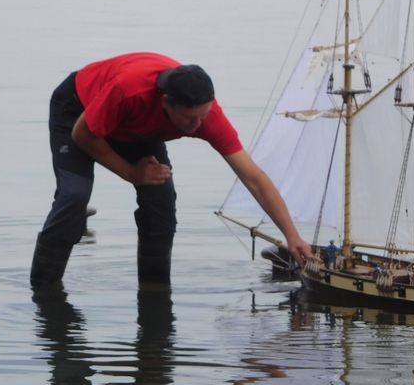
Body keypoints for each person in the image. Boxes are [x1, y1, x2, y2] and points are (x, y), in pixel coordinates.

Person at [30, 52, 312, 292]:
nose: (197, 125)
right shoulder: (130, 90)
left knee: (160, 196)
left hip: (135, 127)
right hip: (78, 109)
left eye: (203, 115)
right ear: (166, 103)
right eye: (189, 118)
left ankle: (154, 289)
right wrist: (131, 173)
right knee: (74, 196)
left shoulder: (207, 117)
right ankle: (43, 288)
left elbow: (254, 178)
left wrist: (292, 236)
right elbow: (83, 134)